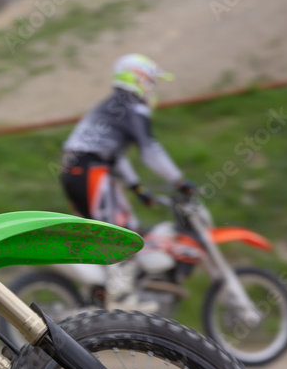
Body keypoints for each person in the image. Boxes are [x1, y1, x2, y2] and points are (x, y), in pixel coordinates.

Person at [60, 53, 196, 309]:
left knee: (122, 227)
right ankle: (120, 298)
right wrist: (179, 181)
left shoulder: (113, 106)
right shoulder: (132, 106)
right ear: (138, 79)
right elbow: (150, 150)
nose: (152, 89)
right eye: (151, 82)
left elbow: (116, 155)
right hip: (92, 171)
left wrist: (137, 187)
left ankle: (99, 294)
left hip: (78, 171)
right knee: (121, 233)